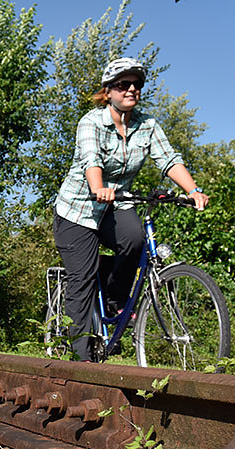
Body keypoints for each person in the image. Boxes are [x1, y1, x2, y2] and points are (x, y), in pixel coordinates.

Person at [53, 57, 209, 361]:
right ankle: (83, 360)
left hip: (116, 203)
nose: (132, 89)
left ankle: (114, 299)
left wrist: (192, 190)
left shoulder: (147, 125)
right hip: (78, 210)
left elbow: (168, 159)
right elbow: (91, 160)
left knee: (135, 239)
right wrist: (98, 187)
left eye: (137, 84)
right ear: (108, 91)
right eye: (124, 84)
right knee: (82, 280)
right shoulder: (91, 122)